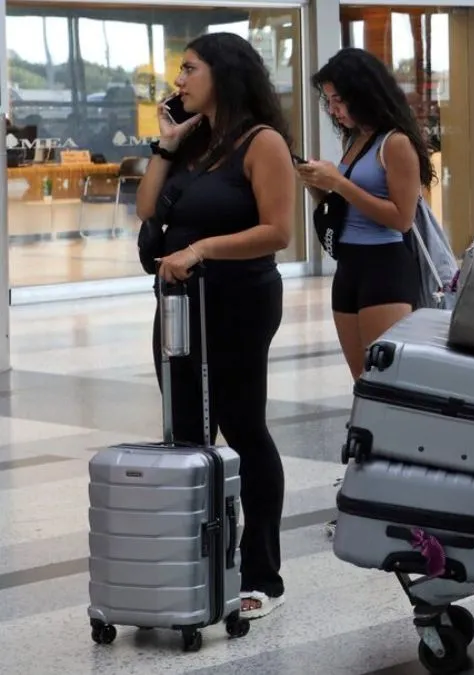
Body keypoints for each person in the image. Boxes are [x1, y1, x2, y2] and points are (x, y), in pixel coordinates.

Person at [135, 32, 294, 620]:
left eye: (189, 69)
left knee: (244, 427)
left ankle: (262, 574)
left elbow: (279, 231)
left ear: (223, 74)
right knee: (185, 428)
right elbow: (149, 209)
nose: (179, 81)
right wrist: (166, 145)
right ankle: (201, 563)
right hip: (180, 301)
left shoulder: (263, 142)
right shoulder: (195, 140)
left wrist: (201, 248)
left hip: (239, 298)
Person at [298, 47, 433, 381]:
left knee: (384, 380)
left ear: (364, 94)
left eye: (339, 100)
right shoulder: (357, 139)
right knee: (360, 378)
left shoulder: (395, 143)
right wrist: (318, 186)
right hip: (349, 266)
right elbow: (349, 203)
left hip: (383, 265)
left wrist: (340, 183)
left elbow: (402, 218)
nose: (334, 110)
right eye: (328, 101)